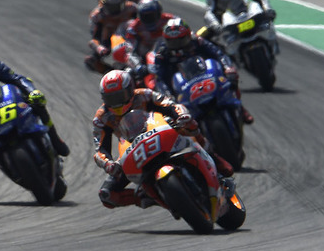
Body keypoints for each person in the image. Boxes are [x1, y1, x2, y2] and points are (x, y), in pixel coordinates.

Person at [92, 69, 232, 209]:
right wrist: (108, 163)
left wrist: (180, 116)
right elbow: (100, 149)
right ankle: (148, 197)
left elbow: (170, 105)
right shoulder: (101, 118)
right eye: (111, 99)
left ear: (130, 90)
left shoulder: (144, 95)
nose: (116, 103)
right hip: (133, 148)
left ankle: (214, 159)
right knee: (107, 195)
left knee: (189, 127)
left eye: (119, 96)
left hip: (161, 130)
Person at [155, 17, 254, 125]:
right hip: (182, 86)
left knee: (231, 79)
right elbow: (159, 78)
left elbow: (217, 53)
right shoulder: (162, 54)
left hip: (206, 73)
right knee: (172, 115)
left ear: (188, 36)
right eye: (172, 42)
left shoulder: (197, 41)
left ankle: (241, 108)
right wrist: (168, 95)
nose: (178, 45)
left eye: (181, 40)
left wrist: (227, 68)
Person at [203, 0, 278, 65]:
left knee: (266, 19)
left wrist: (267, 9)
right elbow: (209, 11)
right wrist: (215, 25)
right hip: (223, 20)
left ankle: (272, 44)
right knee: (199, 37)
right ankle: (223, 63)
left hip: (245, 12)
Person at [84, 0, 139, 73]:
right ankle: (110, 72)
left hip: (131, 36)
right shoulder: (96, 16)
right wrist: (100, 48)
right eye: (110, 6)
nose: (113, 10)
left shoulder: (133, 8)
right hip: (108, 40)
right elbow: (94, 39)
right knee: (90, 60)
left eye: (116, 6)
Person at [123, 0, 176, 65]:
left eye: (152, 16)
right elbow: (129, 49)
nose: (149, 19)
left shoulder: (170, 19)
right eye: (145, 17)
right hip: (144, 55)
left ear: (159, 13)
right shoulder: (134, 27)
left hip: (166, 51)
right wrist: (137, 65)